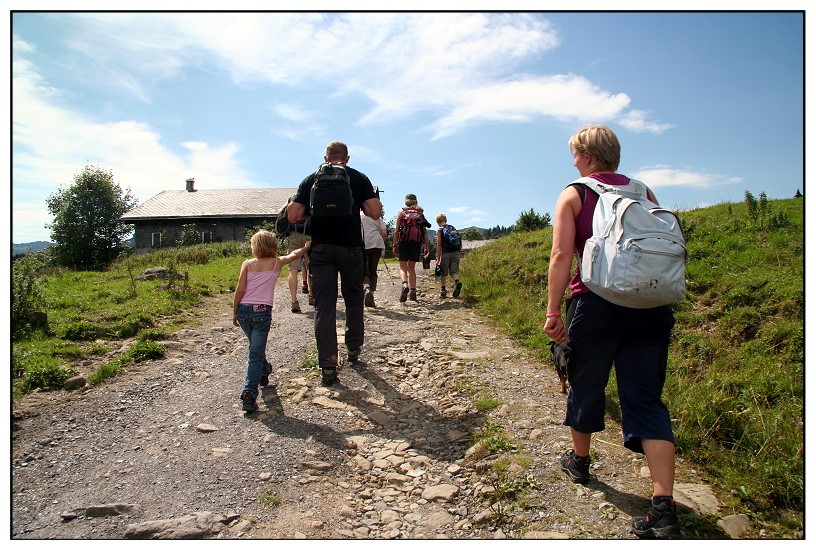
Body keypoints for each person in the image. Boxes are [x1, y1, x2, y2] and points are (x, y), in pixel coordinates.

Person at [543, 124, 681, 539]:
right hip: (652, 307)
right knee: (645, 398)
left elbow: (561, 254)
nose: (573, 160)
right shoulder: (645, 193)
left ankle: (580, 462)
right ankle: (663, 506)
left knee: (586, 383)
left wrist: (553, 312)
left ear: (586, 156)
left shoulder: (575, 192)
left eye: (575, 153)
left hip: (596, 304)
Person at [287, 141, 381, 387]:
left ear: (326, 157)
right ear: (347, 158)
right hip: (350, 248)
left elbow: (293, 215)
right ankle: (353, 348)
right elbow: (374, 212)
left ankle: (328, 365)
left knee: (325, 306)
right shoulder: (358, 178)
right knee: (353, 298)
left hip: (322, 249)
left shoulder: (311, 179)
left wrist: (313, 210)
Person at [233, 230, 310, 412]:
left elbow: (240, 289)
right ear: (273, 246)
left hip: (244, 311)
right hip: (262, 312)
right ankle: (249, 393)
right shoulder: (277, 263)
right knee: (255, 354)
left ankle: (265, 370)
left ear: (255, 246)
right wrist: (306, 246)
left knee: (255, 348)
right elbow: (294, 254)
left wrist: (235, 311)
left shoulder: (248, 264)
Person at [393, 194, 431, 302]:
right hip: (416, 243)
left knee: (403, 268)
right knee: (411, 268)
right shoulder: (420, 213)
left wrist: (395, 245)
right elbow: (424, 232)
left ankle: (405, 285)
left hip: (403, 242)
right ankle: (413, 291)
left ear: (406, 201)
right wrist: (426, 246)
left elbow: (396, 230)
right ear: (416, 201)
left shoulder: (402, 212)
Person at [285, 211, 312, 312]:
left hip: (293, 235)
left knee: (293, 270)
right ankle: (311, 296)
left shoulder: (292, 201)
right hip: (309, 236)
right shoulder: (310, 198)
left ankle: (294, 301)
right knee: (311, 268)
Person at [361, 210, 387, 308]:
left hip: (363, 244)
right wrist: (381, 242)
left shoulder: (359, 216)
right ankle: (371, 294)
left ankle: (366, 288)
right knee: (373, 270)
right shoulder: (376, 216)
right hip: (376, 244)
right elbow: (384, 233)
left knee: (364, 270)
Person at [434, 213, 462, 299]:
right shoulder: (453, 228)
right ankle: (457, 282)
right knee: (454, 271)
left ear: (438, 221)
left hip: (445, 253)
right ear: (445, 220)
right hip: (456, 253)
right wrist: (458, 253)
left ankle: (443, 291)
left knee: (443, 273)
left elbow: (439, 246)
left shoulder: (440, 230)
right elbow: (460, 243)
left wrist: (438, 259)